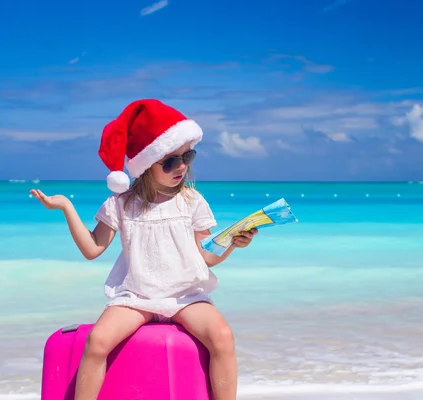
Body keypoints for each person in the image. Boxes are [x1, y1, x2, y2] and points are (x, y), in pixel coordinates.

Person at [30, 99, 257, 400]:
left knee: (222, 337)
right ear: (145, 165)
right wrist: (66, 207)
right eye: (170, 161)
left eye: (186, 156)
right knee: (97, 341)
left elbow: (207, 256)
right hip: (137, 297)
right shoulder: (121, 204)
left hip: (184, 296)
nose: (182, 167)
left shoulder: (192, 201)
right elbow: (92, 248)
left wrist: (233, 244)